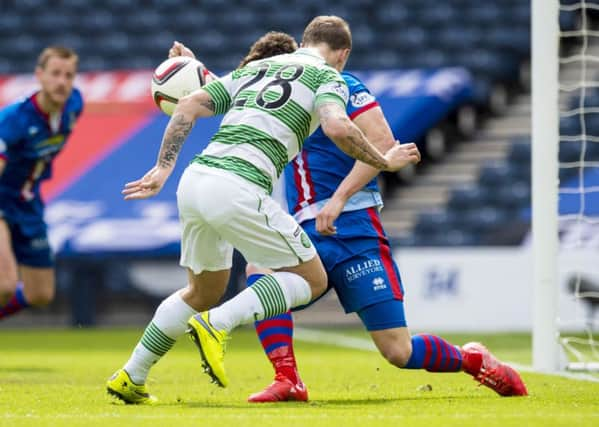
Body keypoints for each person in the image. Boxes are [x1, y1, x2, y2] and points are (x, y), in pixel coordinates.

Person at [106, 16, 421, 404]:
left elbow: (188, 104)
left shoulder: (258, 68)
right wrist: (385, 162)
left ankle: (131, 375)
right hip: (238, 186)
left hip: (194, 181)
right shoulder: (328, 77)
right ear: (343, 54)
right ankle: (216, 325)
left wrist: (163, 168)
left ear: (304, 41)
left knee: (201, 290)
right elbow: (338, 128)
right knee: (312, 280)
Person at [0, 46, 82, 321]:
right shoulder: (14, 119)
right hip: (2, 200)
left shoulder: (75, 105)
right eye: (55, 73)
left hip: (29, 203)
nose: (62, 82)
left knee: (41, 293)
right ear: (39, 75)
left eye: (69, 75)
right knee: (4, 286)